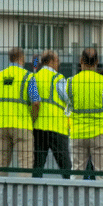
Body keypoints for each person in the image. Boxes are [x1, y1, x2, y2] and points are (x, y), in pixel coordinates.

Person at [0, 47, 38, 174]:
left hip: (2, 125)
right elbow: (36, 102)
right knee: (25, 163)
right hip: (22, 125)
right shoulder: (28, 76)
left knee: (2, 163)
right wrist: (32, 118)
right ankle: (24, 191)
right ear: (22, 58)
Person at [69, 47, 103, 178]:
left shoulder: (70, 82)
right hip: (99, 133)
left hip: (77, 133)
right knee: (101, 175)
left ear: (81, 60)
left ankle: (73, 198)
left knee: (76, 174)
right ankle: (102, 199)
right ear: (97, 61)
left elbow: (68, 106)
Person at [31, 50, 72, 178]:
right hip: (57, 127)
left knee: (38, 165)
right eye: (57, 61)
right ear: (51, 61)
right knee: (65, 166)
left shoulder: (34, 77)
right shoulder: (58, 79)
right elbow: (68, 98)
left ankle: (34, 191)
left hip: (38, 127)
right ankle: (70, 193)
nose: (58, 64)